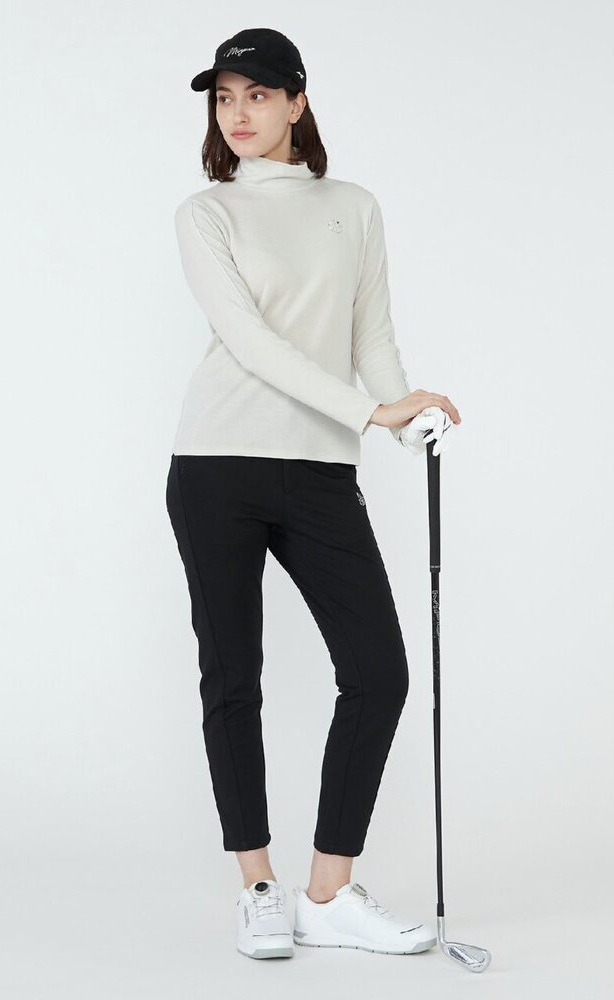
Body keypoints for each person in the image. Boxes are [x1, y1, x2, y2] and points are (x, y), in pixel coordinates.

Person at [165, 27, 462, 960]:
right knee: (233, 677)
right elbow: (250, 343)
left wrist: (405, 415)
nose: (238, 113)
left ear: (297, 102)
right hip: (216, 463)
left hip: (321, 471)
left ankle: (327, 894)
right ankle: (259, 887)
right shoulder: (206, 213)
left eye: (258, 94)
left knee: (378, 673)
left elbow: (370, 336)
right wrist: (370, 411)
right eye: (224, 97)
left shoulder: (353, 207)